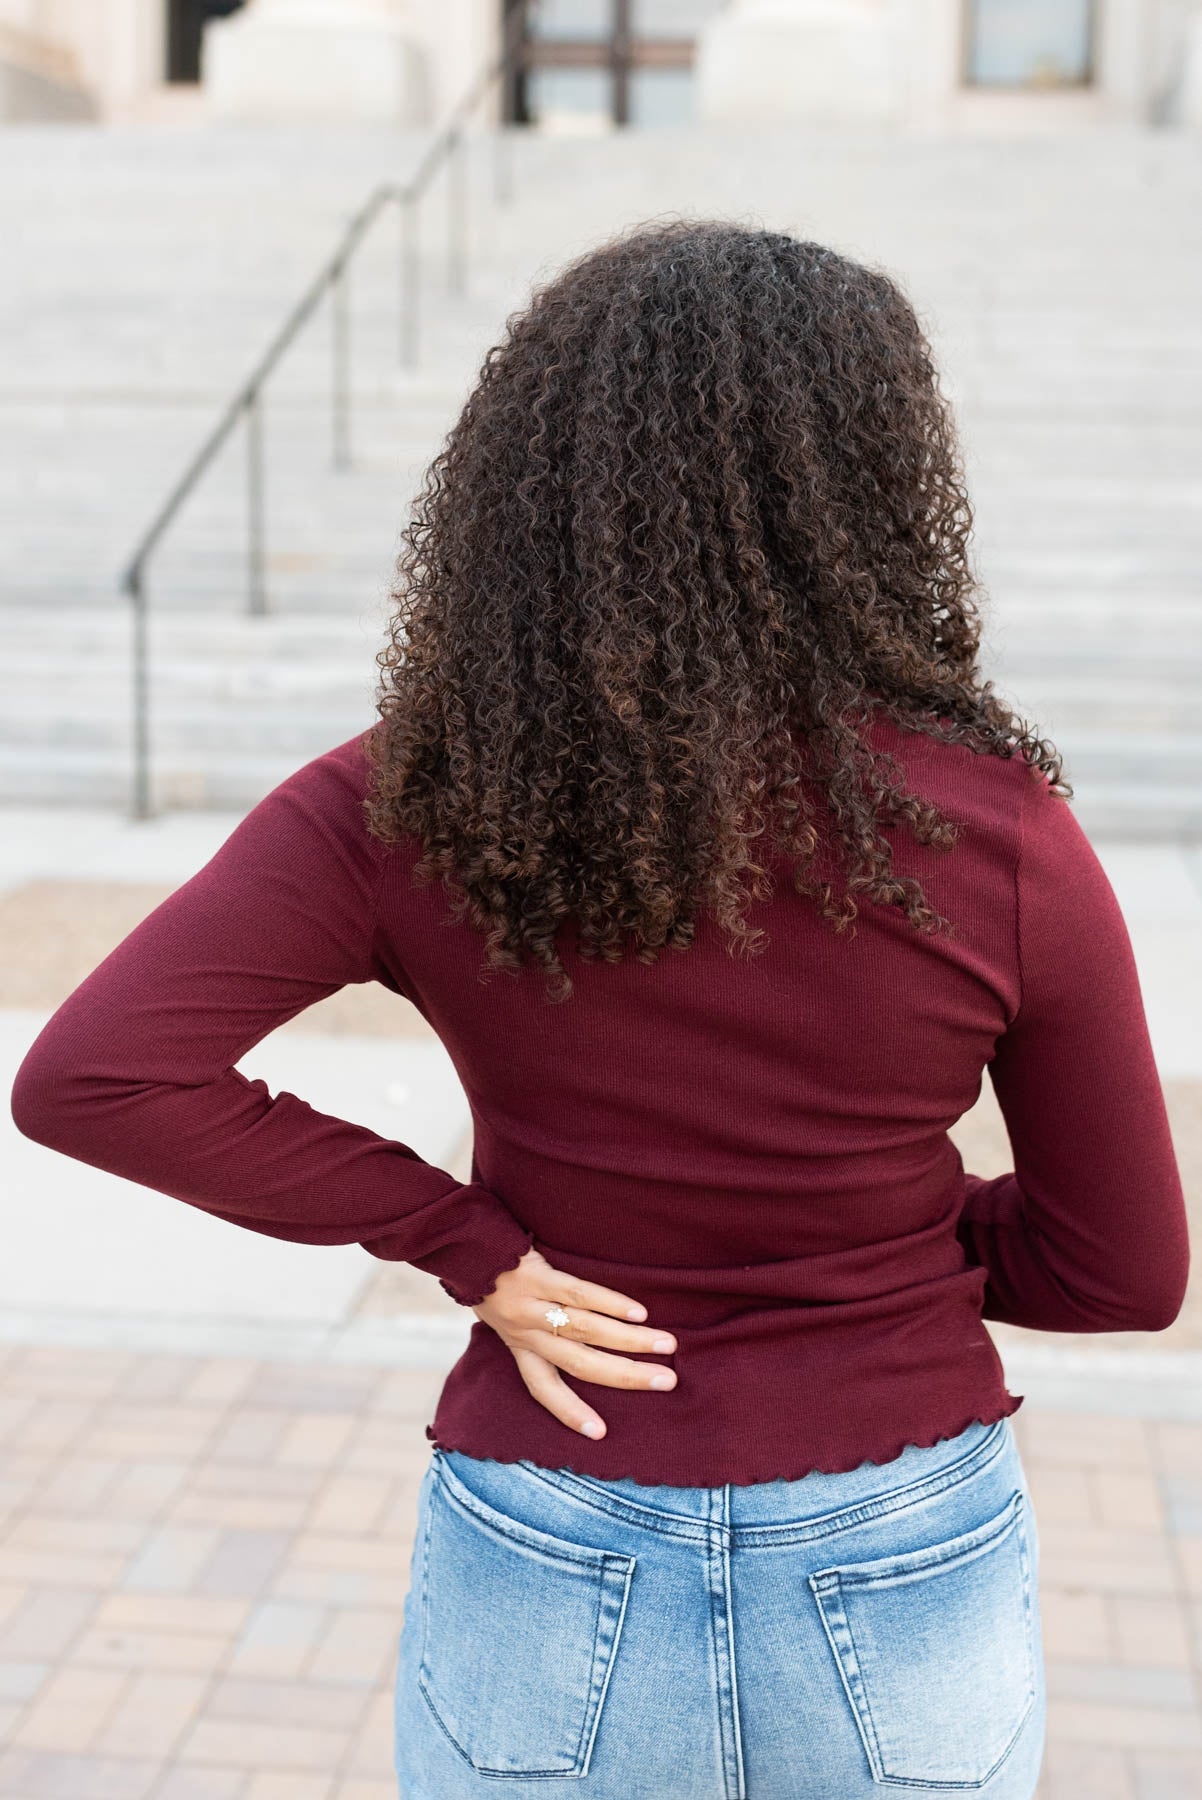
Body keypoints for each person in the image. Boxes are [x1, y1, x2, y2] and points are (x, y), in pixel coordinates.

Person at [10, 221, 1189, 1799]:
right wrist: (881, 1248)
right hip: (900, 1524)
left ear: (527, 486)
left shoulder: (409, 800)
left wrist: (463, 1242)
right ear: (873, 488)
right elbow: (1121, 1272)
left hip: (553, 1507)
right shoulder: (995, 834)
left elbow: (93, 1076)